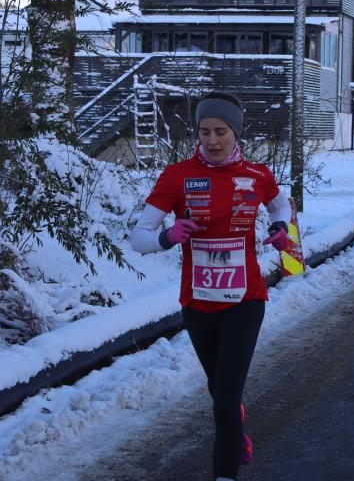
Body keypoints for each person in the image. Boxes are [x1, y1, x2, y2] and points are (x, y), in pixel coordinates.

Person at [131, 91, 291, 481]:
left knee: (226, 396)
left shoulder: (257, 175)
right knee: (219, 390)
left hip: (246, 300)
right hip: (198, 303)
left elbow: (281, 205)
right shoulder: (177, 177)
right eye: (204, 132)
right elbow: (139, 237)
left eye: (221, 131)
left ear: (236, 133)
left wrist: (280, 227)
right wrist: (169, 236)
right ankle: (237, 436)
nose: (213, 140)